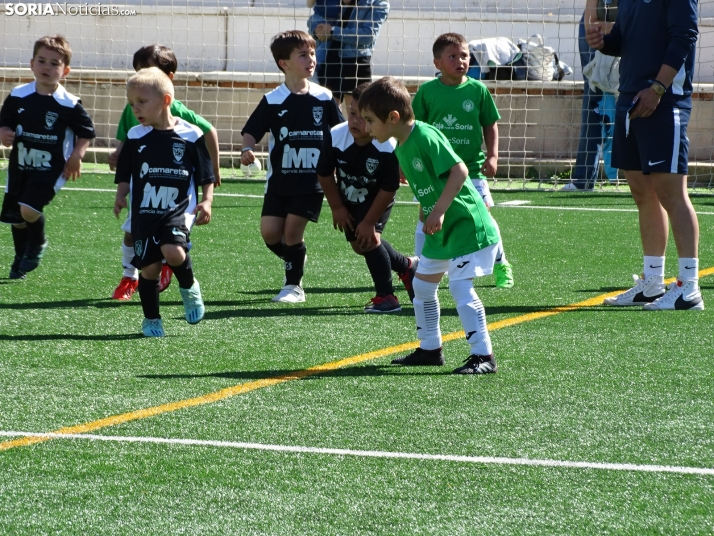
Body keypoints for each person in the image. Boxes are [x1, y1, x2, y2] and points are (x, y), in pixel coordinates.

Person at [359, 77, 501, 374]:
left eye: (370, 120)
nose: (368, 127)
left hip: (463, 223)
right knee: (423, 286)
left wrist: (437, 211)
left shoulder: (425, 136)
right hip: (442, 227)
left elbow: (459, 171)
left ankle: (483, 356)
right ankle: (430, 349)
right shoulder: (401, 145)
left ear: (393, 117)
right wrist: (430, 211)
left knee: (461, 287)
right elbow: (428, 185)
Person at [588, 0, 703, 310]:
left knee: (671, 193)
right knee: (642, 192)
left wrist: (658, 88)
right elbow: (624, 40)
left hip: (665, 101)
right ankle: (652, 283)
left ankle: (689, 288)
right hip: (630, 97)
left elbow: (685, 36)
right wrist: (603, 41)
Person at [108, 44, 221, 301]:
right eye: (138, 71)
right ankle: (129, 276)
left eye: (148, 70)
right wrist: (118, 154)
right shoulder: (134, 109)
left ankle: (175, 269)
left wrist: (212, 170)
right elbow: (129, 143)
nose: (141, 78)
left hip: (175, 197)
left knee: (171, 246)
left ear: (167, 80)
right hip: (144, 195)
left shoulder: (178, 114)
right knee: (131, 234)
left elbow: (208, 132)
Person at [241, 30, 343, 304]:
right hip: (279, 182)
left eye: (312, 53)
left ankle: (293, 287)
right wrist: (247, 148)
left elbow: (341, 132)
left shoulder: (324, 97)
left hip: (312, 181)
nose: (311, 59)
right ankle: (296, 257)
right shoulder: (273, 100)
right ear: (283, 63)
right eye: (303, 55)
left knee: (292, 232)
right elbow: (251, 131)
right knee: (271, 233)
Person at [412, 32, 514, 289]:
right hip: (435, 171)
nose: (461, 60)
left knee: (484, 217)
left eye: (465, 55)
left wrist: (492, 155)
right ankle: (421, 266)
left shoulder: (478, 89)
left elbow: (490, 124)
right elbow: (414, 130)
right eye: (453, 56)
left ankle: (501, 264)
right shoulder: (426, 92)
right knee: (427, 213)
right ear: (437, 63)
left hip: (471, 169)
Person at [317, 82, 417, 313]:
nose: (355, 121)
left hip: (378, 197)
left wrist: (370, 222)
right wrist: (337, 208)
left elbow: (389, 188)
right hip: (349, 197)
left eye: (364, 117)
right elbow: (324, 174)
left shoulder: (387, 146)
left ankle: (386, 296)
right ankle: (406, 267)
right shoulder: (335, 136)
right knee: (358, 245)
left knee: (368, 238)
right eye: (352, 113)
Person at [0, 35, 95, 279]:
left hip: (51, 168)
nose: (47, 67)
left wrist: (77, 155)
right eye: (42, 61)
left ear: (65, 71)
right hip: (20, 166)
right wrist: (4, 133)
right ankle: (20, 259)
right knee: (17, 219)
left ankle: (38, 244)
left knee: (28, 211)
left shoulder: (69, 103)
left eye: (55, 63)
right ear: (32, 64)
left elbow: (86, 132)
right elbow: (5, 121)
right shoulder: (18, 95)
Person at [562, 0, 618, 191]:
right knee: (593, 98)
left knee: (639, 91)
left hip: (637, 21)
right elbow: (591, 18)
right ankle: (583, 179)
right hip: (599, 19)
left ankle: (652, 173)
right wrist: (594, 23)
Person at [309, 0, 389, 111]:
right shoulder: (332, 2)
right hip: (329, 59)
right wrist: (317, 29)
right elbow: (315, 18)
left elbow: (368, 35)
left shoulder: (378, 3)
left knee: (357, 113)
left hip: (355, 62)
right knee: (328, 112)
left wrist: (332, 31)